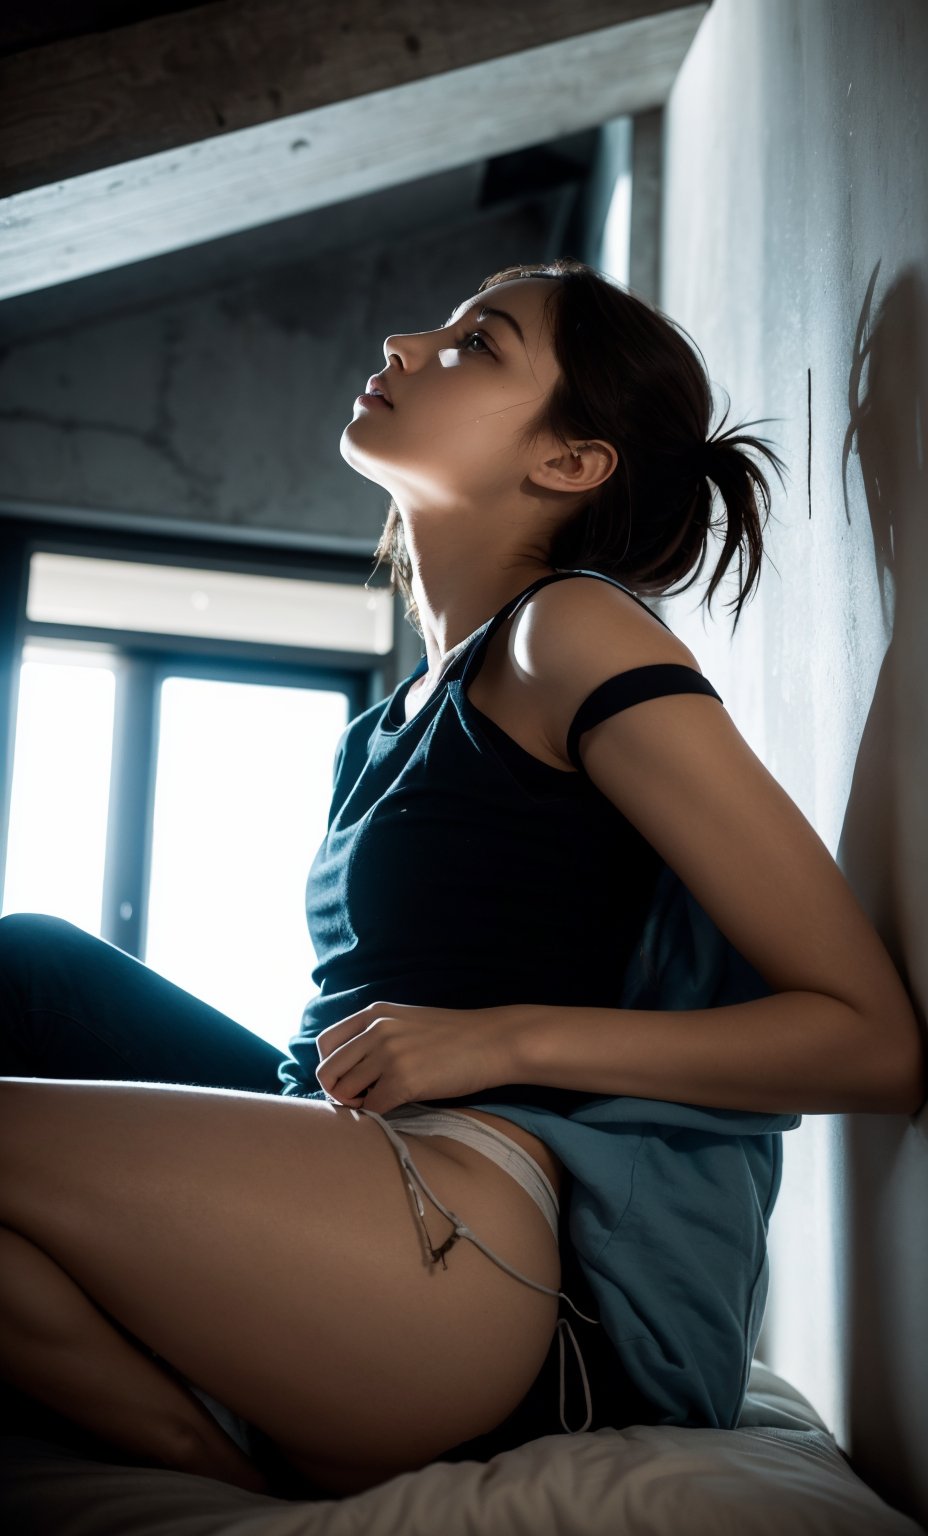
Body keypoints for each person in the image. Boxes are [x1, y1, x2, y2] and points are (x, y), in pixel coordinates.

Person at [0, 258, 923, 1503]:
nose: (405, 337)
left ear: (571, 462)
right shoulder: (392, 720)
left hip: (502, 1278)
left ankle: (204, 1456)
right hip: (357, 1194)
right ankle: (203, 1454)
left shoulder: (573, 631)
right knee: (34, 964)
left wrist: (497, 1038)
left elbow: (872, 1045)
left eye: (477, 344)